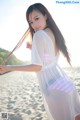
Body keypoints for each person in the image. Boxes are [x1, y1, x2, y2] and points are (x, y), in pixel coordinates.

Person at [0, 3, 80, 120]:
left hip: (54, 89)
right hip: (66, 84)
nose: (34, 25)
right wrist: (32, 48)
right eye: (31, 22)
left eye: (36, 18)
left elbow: (37, 67)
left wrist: (8, 68)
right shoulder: (54, 33)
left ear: (45, 16)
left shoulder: (38, 35)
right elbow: (49, 58)